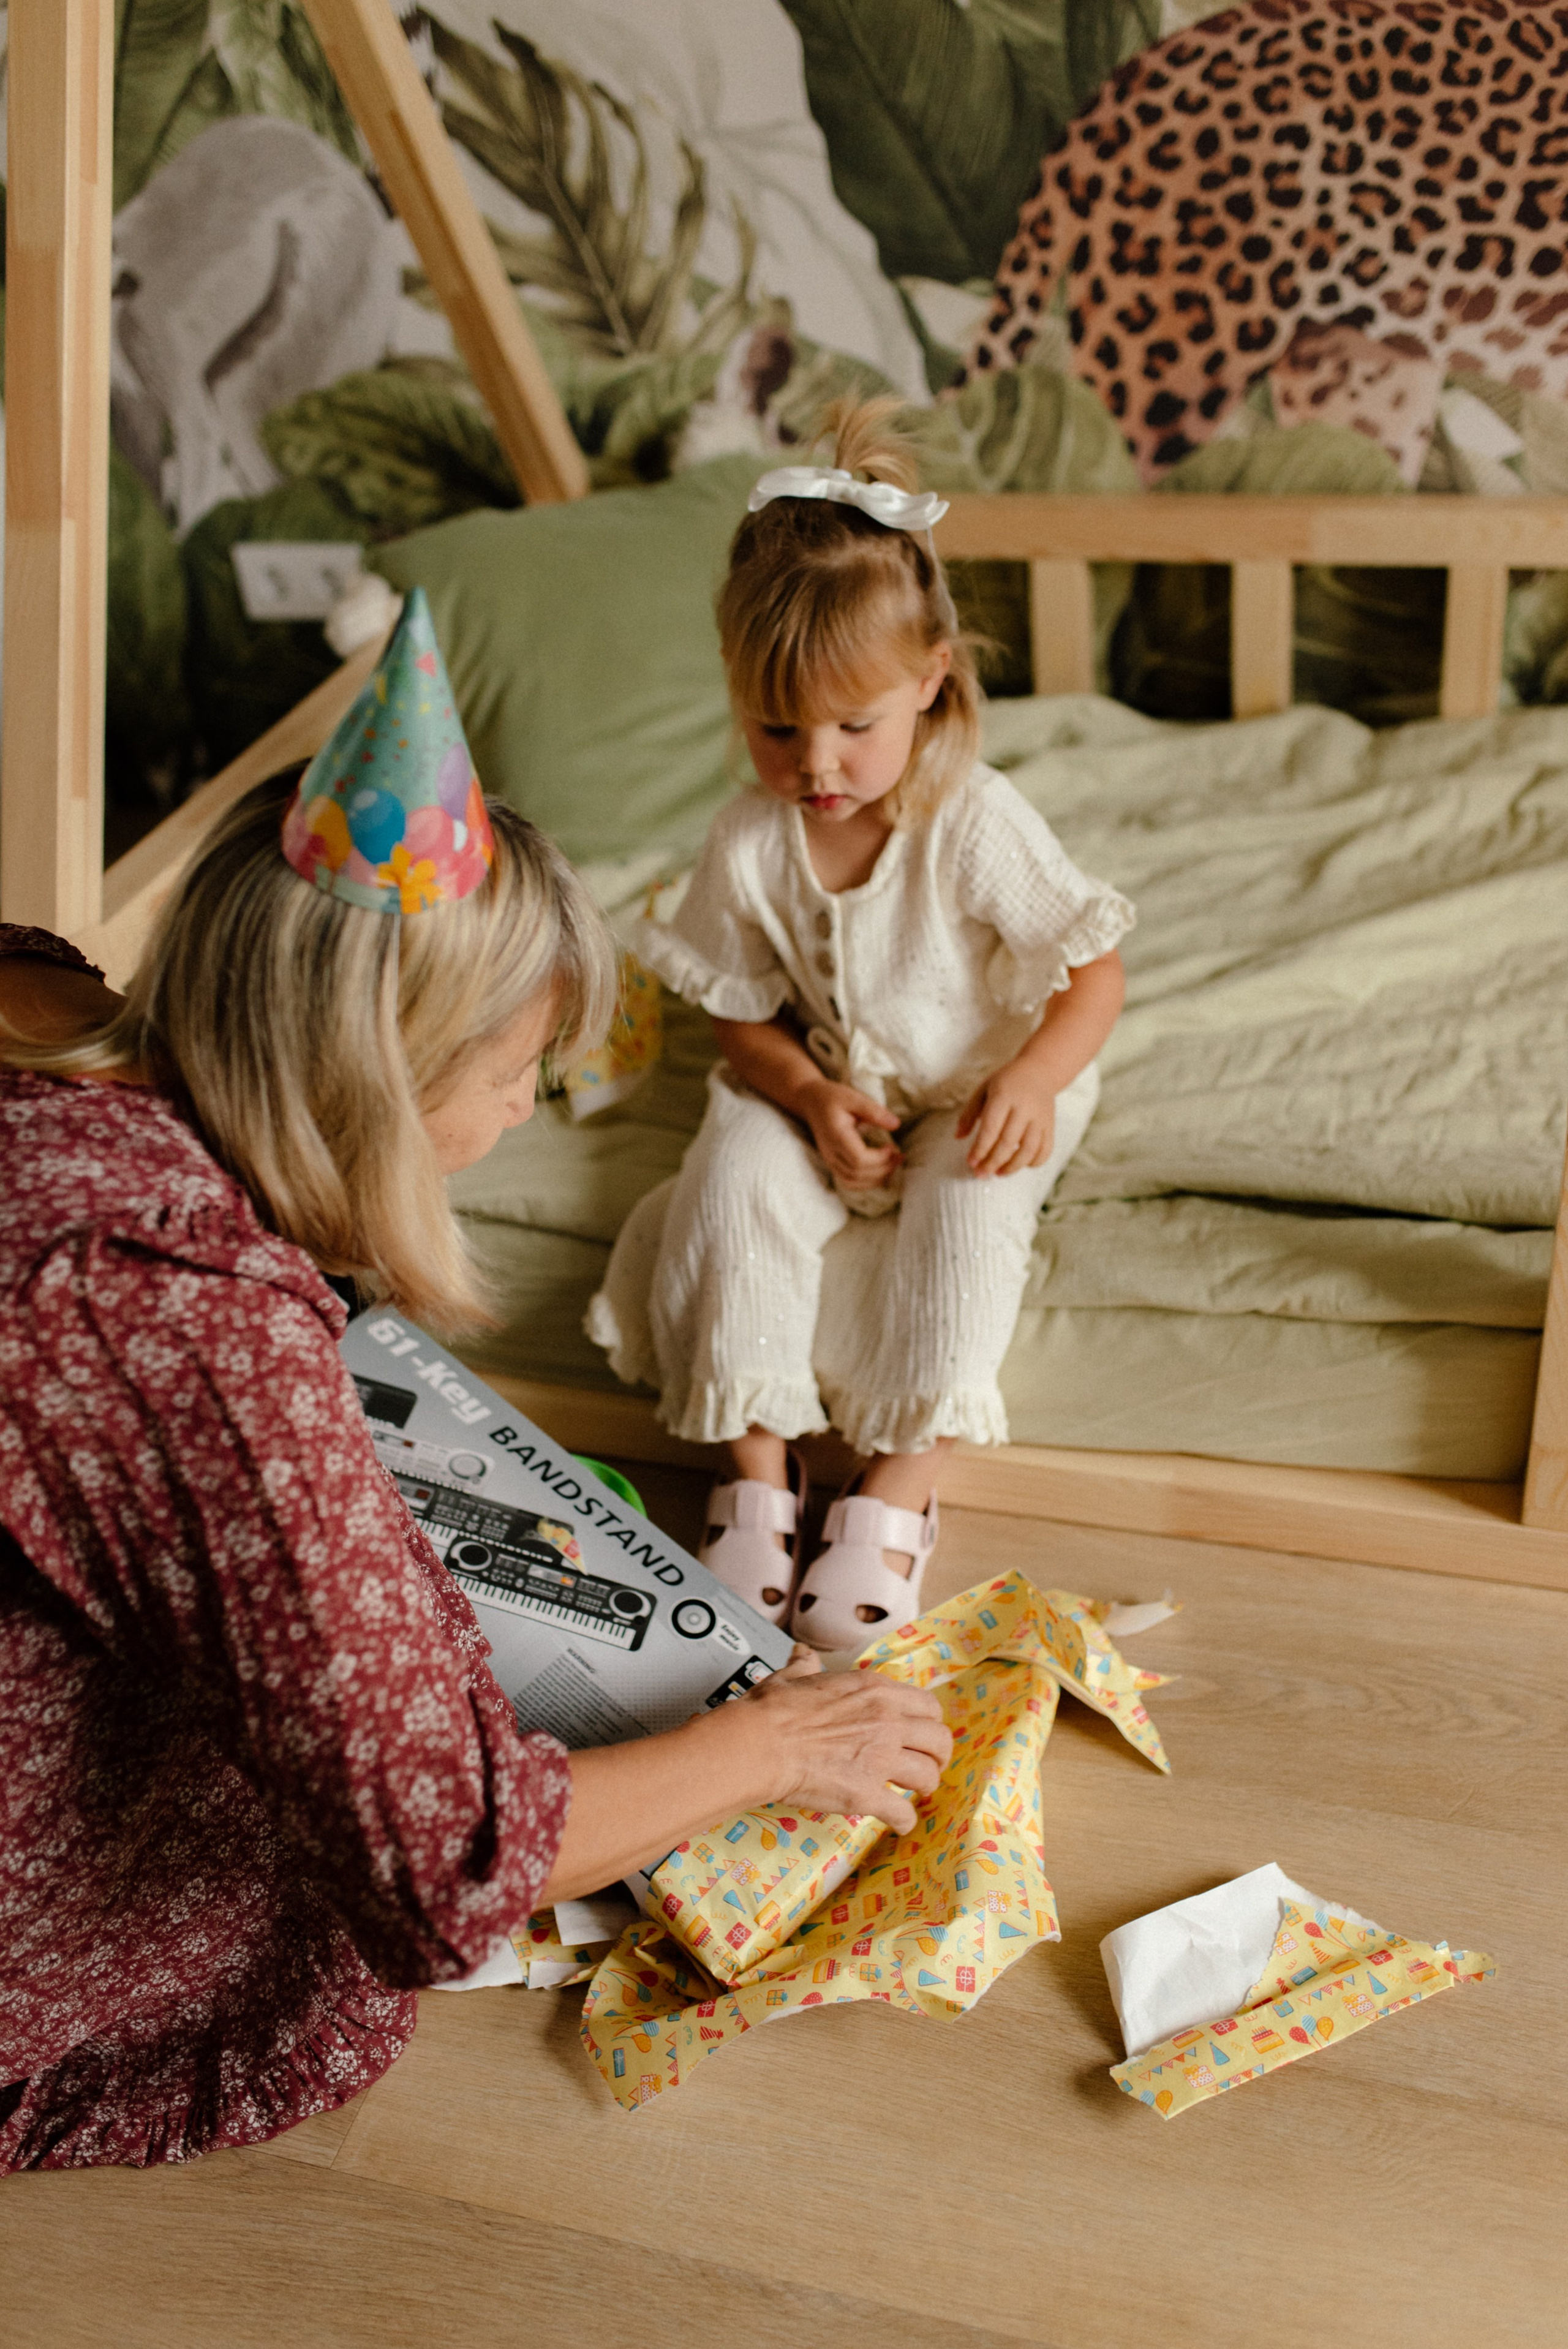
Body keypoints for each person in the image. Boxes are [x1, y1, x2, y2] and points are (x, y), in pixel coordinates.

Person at [0, 590, 950, 2173]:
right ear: (380, 1080)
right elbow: (445, 1865)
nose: (525, 1111)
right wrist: (791, 1743)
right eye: (516, 1074)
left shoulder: (36, 1001)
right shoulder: (192, 1324)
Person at [589, 402, 1133, 1652]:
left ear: (929, 678)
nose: (815, 764)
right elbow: (736, 1019)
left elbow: (1092, 974)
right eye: (775, 729)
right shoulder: (746, 838)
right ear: (738, 701)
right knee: (723, 1182)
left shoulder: (972, 817)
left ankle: (899, 1475)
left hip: (987, 1078)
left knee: (970, 1208)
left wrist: (1038, 1081)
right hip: (823, 1079)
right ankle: (758, 1471)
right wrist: (806, 1095)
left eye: (853, 726)